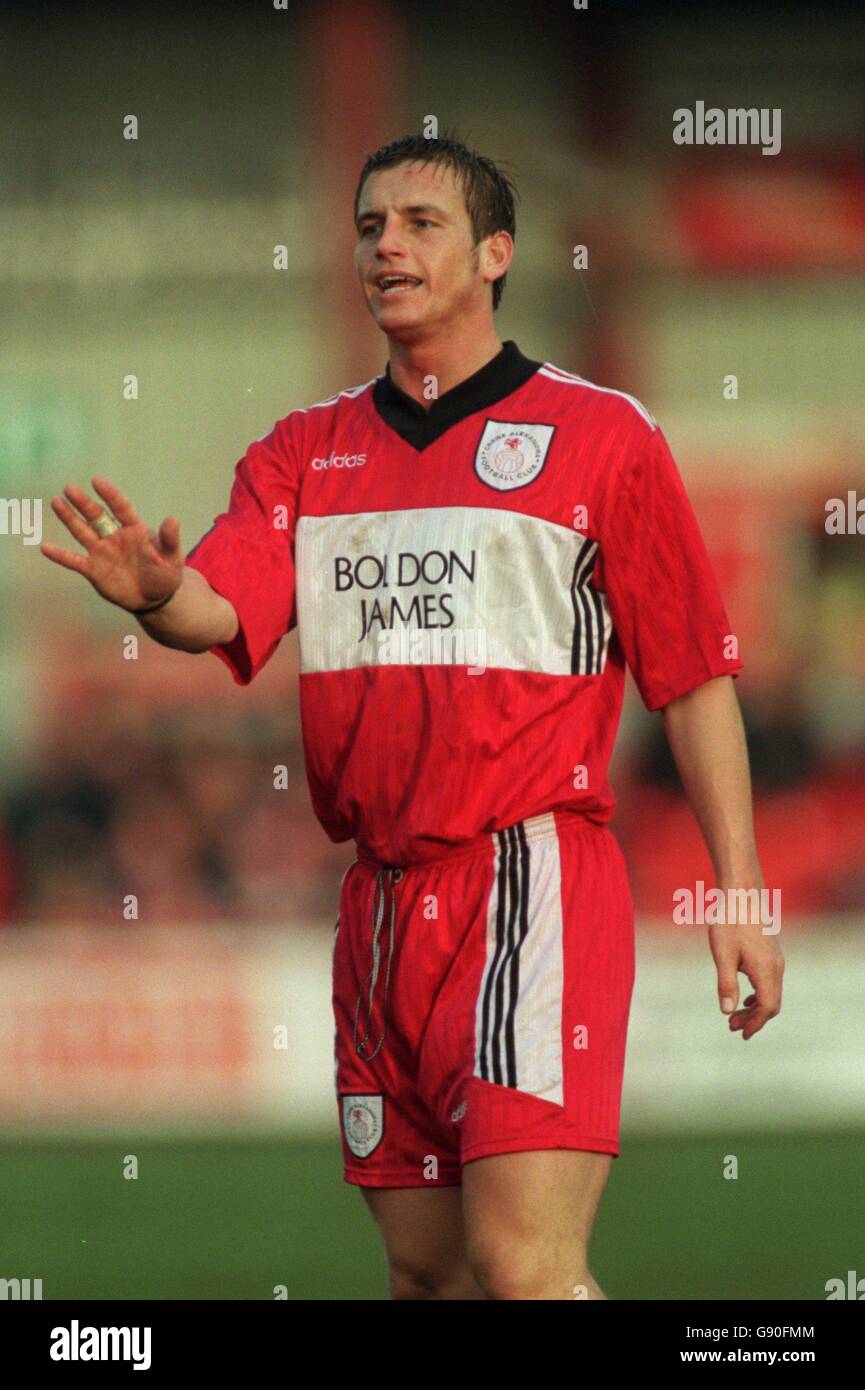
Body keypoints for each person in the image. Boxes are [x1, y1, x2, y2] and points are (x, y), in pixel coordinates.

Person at [41, 133, 784, 1301]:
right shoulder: (301, 453)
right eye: (369, 224)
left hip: (528, 880)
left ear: (496, 254)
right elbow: (219, 607)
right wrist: (152, 594)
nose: (386, 244)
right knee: (428, 1275)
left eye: (420, 224)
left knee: (524, 1269)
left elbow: (692, 679)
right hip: (380, 907)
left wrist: (737, 892)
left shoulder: (602, 438)